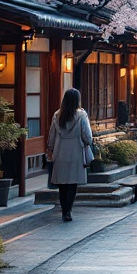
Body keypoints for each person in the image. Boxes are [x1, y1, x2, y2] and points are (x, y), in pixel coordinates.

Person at [47, 88, 94, 223]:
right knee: (72, 183)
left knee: (62, 184)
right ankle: (68, 210)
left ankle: (64, 210)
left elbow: (52, 135)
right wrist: (88, 142)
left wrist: (50, 147)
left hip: (60, 150)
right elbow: (87, 135)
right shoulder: (81, 115)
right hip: (76, 151)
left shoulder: (57, 115)